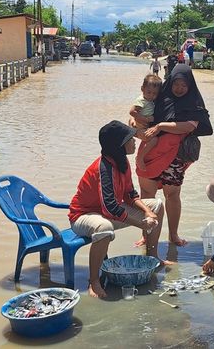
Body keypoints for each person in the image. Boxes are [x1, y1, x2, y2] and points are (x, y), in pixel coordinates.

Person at [68, 121, 170, 298]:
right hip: (83, 215)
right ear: (119, 144)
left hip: (104, 210)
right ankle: (94, 281)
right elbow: (110, 208)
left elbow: (130, 194)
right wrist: (141, 223)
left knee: (157, 205)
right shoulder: (104, 168)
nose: (134, 141)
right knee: (104, 228)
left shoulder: (122, 162)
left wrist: (147, 212)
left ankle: (152, 256)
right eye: (130, 138)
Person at [135, 64, 213, 247]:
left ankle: (173, 235)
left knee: (172, 195)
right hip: (149, 153)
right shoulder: (158, 97)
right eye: (176, 84)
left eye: (184, 85)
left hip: (174, 157)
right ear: (169, 83)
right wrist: (134, 119)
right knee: (147, 194)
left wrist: (161, 126)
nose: (179, 88)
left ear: (190, 86)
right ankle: (146, 237)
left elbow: (189, 126)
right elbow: (141, 111)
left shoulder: (194, 103)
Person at [129, 74, 163, 170]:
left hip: (142, 127)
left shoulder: (150, 100)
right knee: (154, 140)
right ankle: (140, 158)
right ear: (142, 89)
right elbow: (132, 112)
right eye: (149, 92)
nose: (151, 95)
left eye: (154, 93)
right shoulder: (142, 100)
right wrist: (146, 119)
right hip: (141, 128)